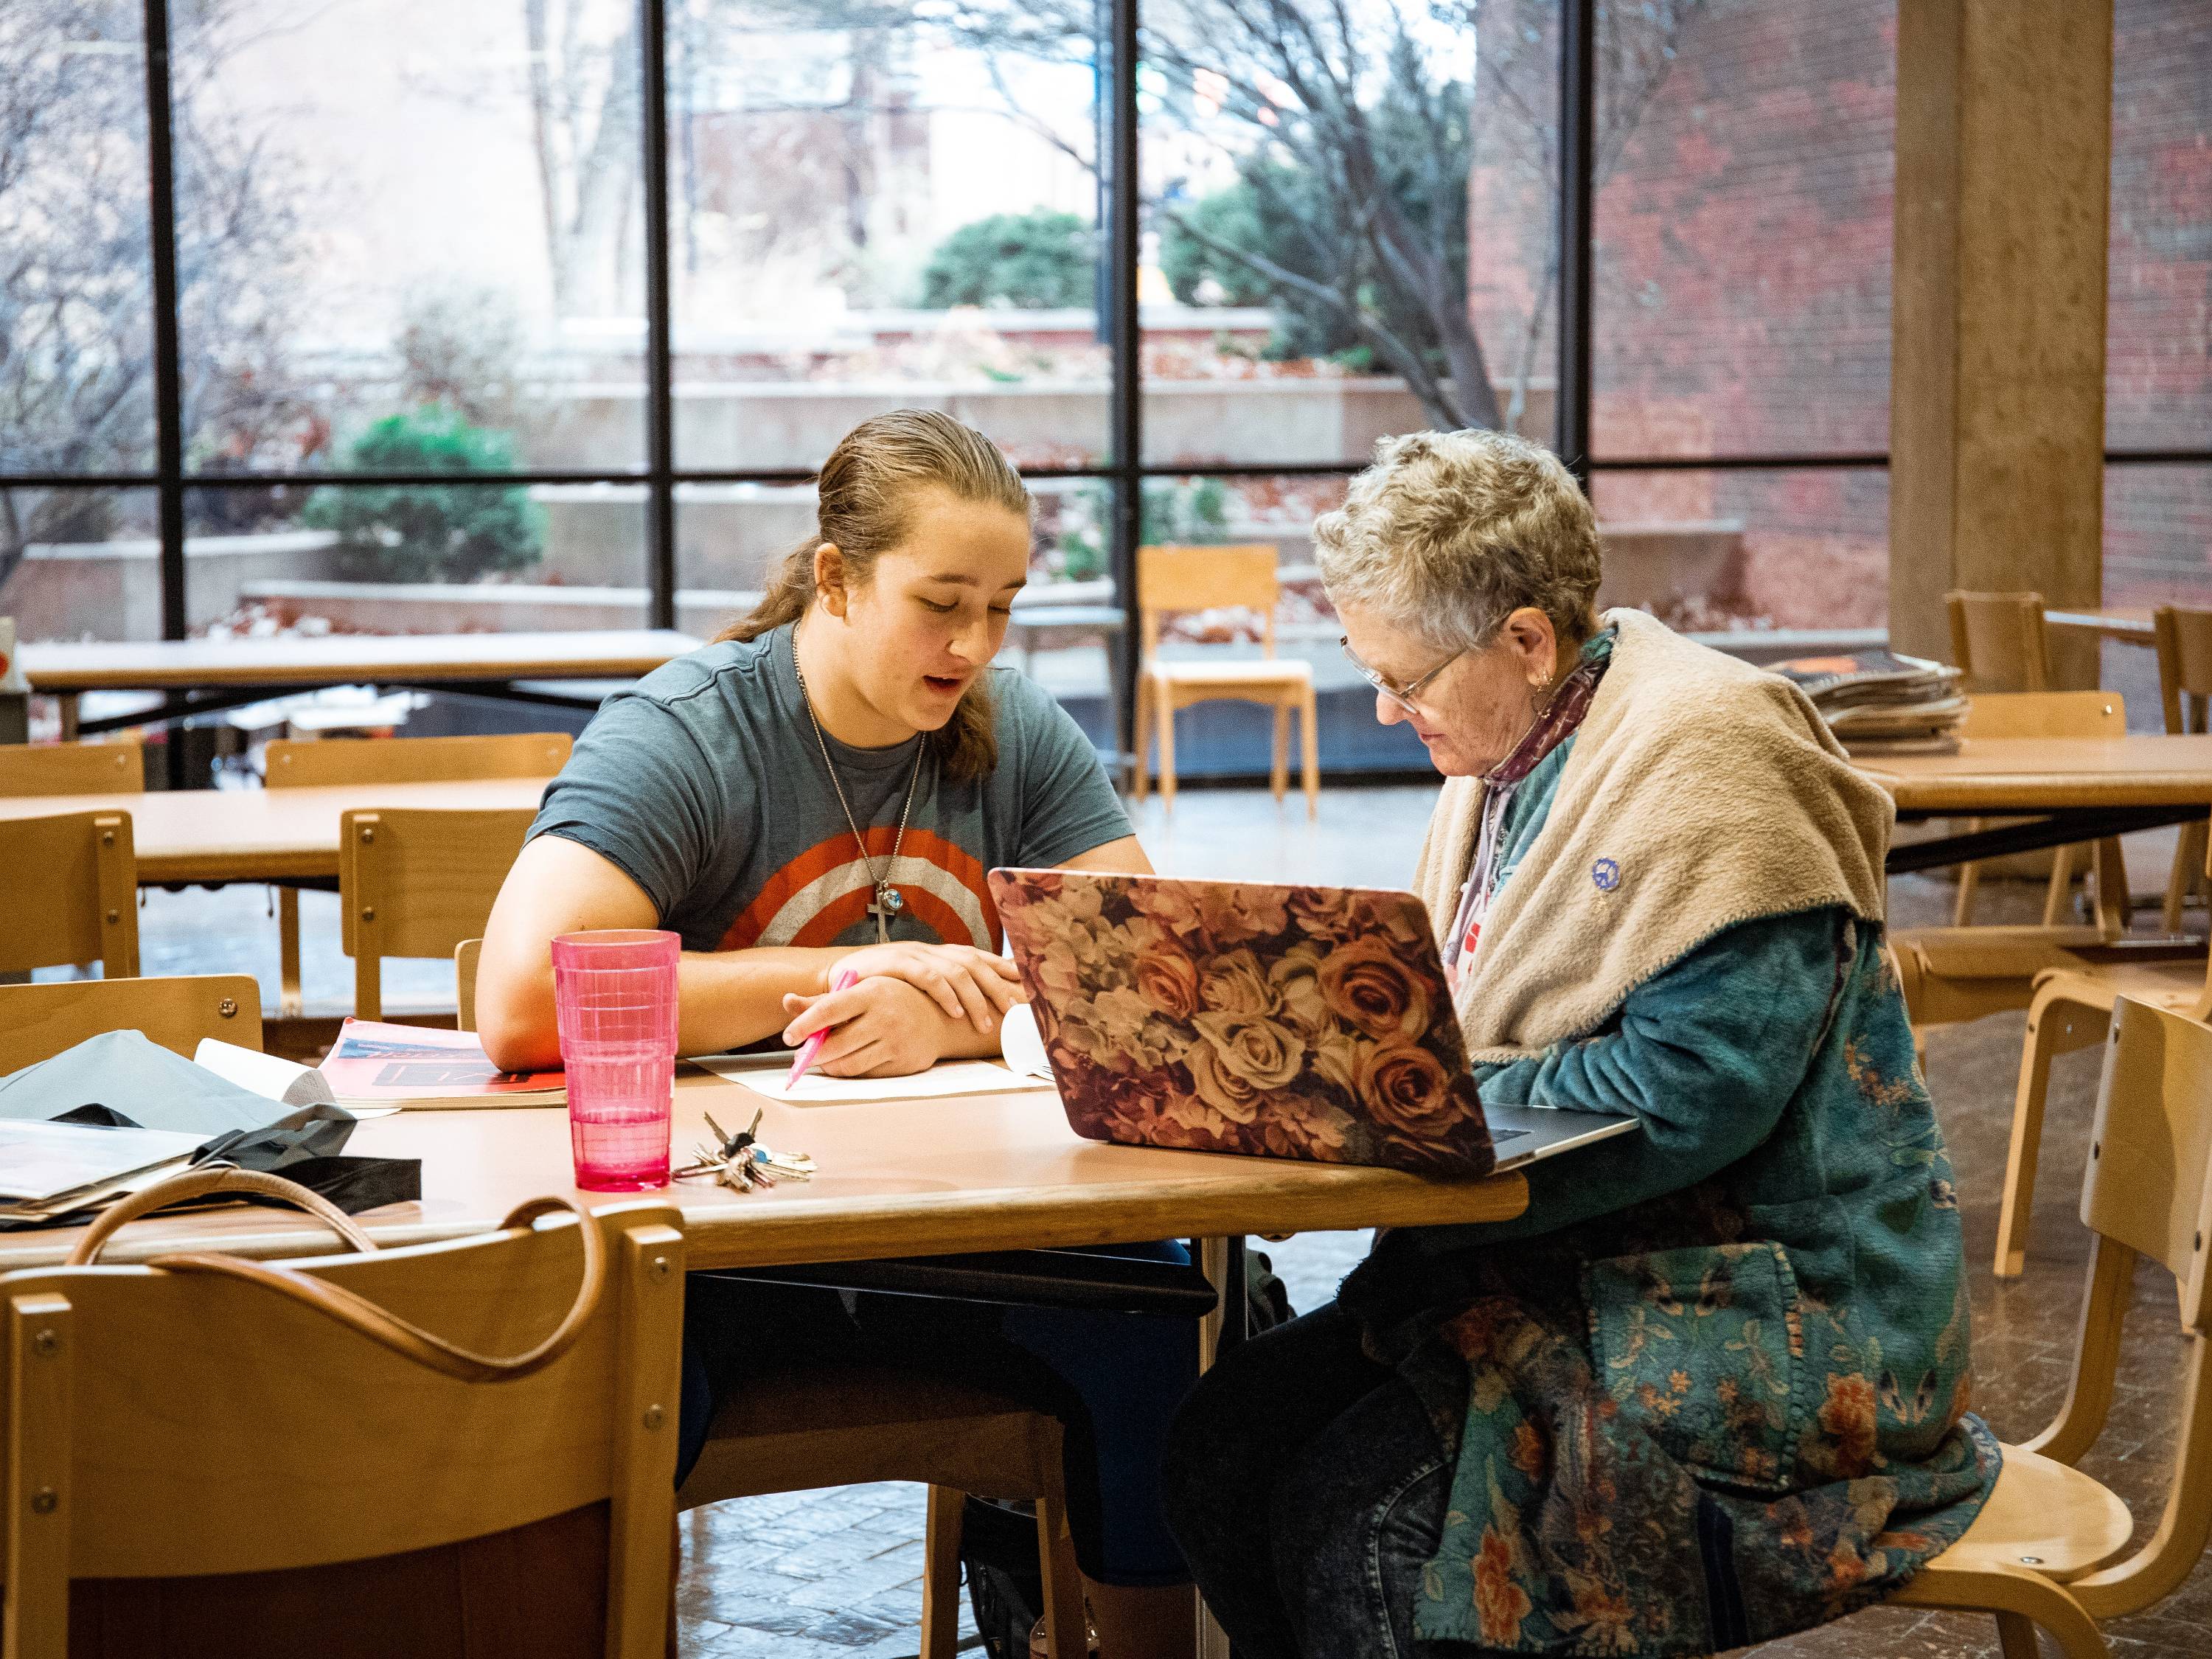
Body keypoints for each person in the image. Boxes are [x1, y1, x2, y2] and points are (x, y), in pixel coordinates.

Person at [1160, 429, 1997, 1658]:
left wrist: (1420, 1101)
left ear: (1527, 641)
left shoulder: (1714, 758)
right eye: (1371, 672)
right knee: (1220, 1446)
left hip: (1776, 1306)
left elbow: (1691, 1091)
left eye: (1409, 680)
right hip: (1574, 1265)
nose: (1388, 711)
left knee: (1372, 1525)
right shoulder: (1512, 741)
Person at [477, 409, 1197, 1657]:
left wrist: (950, 1026)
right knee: (591, 1366)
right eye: (940, 603)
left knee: (1162, 1315)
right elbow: (526, 1003)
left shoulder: (1014, 729)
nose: (974, 645)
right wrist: (846, 972)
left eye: (1005, 607)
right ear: (835, 576)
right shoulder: (691, 729)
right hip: (729, 1253)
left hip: (971, 1244)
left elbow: (1148, 983)